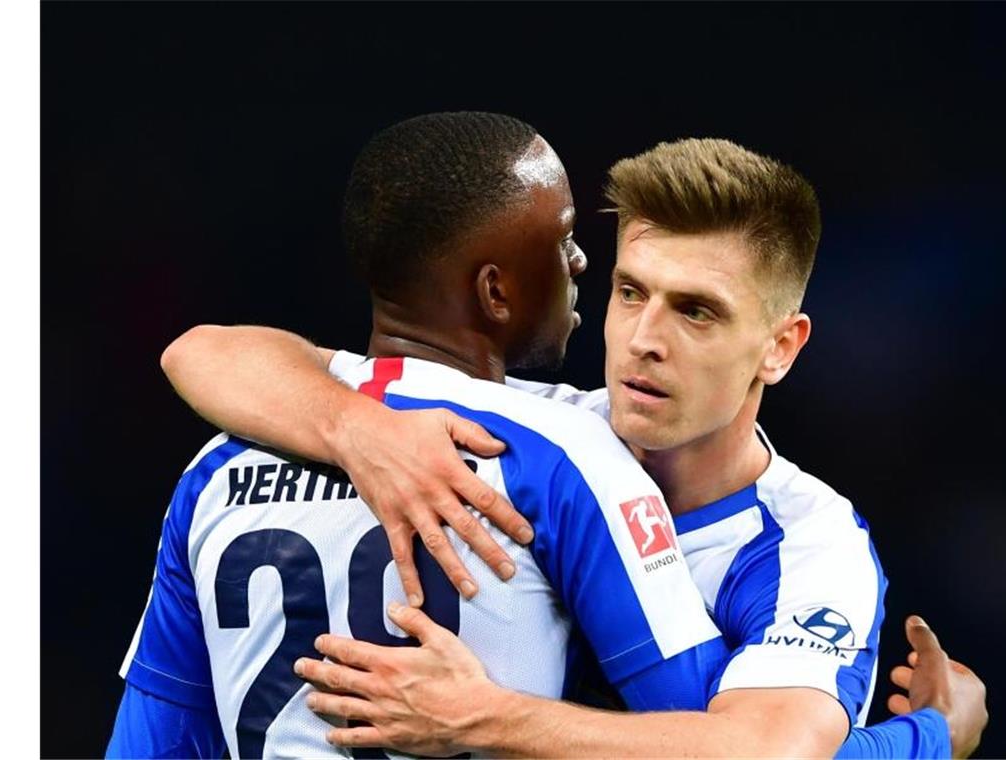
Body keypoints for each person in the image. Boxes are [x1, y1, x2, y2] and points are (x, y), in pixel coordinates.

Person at [161, 136, 987, 756]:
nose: (643, 340)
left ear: (781, 346)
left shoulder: (808, 543)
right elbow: (205, 351)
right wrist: (362, 431)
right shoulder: (532, 428)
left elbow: (765, 751)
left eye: (696, 311)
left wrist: (481, 716)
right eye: (630, 293)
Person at [106, 112, 733, 759]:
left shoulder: (218, 469)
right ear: (495, 290)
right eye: (564, 237)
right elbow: (716, 738)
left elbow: (150, 745)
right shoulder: (559, 456)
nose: (579, 260)